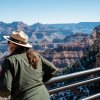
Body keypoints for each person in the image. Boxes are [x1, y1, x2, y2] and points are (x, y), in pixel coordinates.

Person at [0, 31, 57, 100]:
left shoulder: (9, 60)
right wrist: (39, 82)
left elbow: (5, 90)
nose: (7, 44)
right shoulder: (36, 56)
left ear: (13, 45)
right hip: (43, 95)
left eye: (8, 42)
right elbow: (52, 69)